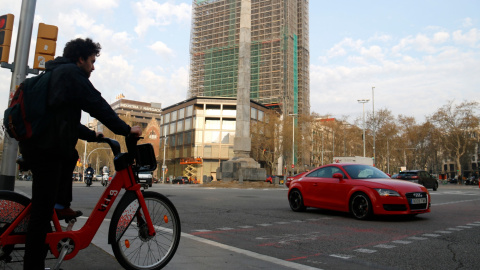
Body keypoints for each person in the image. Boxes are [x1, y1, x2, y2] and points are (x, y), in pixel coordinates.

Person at [19, 37, 142, 269]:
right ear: (81, 59)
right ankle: (32, 266)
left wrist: (91, 136)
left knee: (71, 156)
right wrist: (126, 130)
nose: (93, 67)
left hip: (42, 145)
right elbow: (97, 104)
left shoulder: (56, 75)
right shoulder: (72, 75)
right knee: (40, 214)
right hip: (45, 149)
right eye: (92, 61)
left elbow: (63, 119)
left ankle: (60, 204)